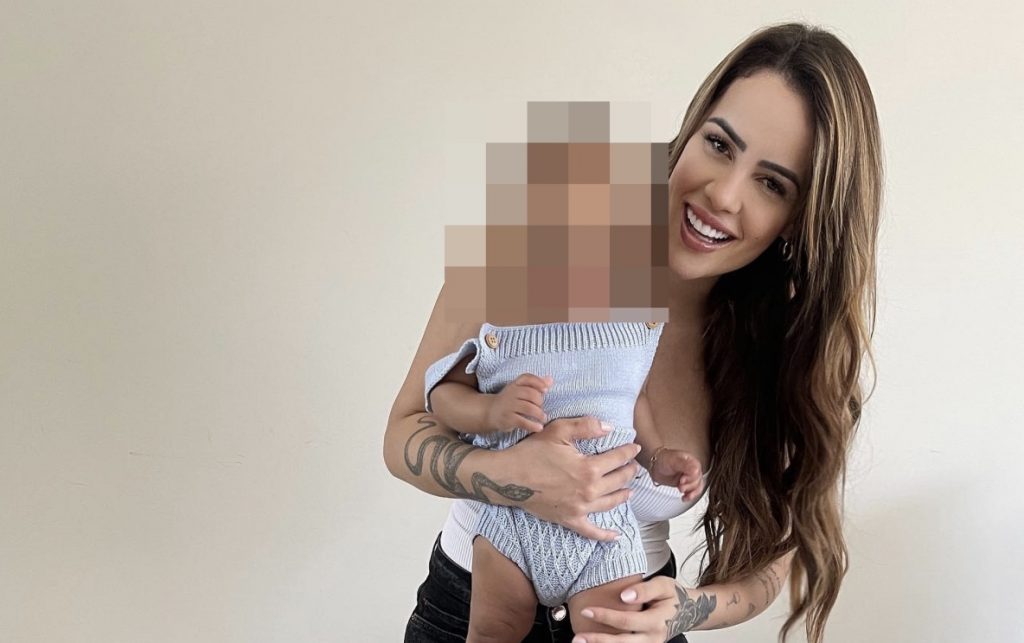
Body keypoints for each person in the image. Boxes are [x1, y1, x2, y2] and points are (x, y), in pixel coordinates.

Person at [384, 21, 882, 643]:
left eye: (772, 183)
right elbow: (403, 432)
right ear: (692, 126)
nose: (724, 195)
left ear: (801, 217)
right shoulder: (547, 227)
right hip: (471, 611)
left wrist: (688, 609)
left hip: (629, 619)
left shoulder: (779, 338)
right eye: (719, 144)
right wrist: (510, 474)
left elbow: (769, 565)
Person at [426, 319, 707, 640]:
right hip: (510, 521)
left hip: (605, 528)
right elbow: (442, 393)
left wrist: (656, 457)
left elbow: (635, 398)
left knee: (614, 634)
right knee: (493, 631)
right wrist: (489, 410)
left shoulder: (635, 324)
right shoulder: (503, 318)